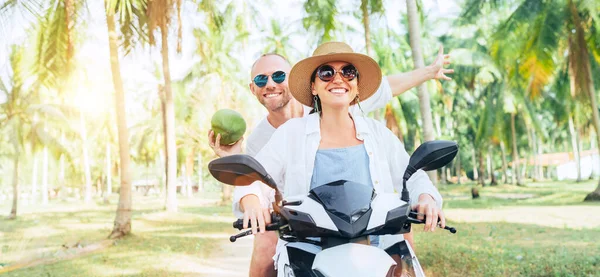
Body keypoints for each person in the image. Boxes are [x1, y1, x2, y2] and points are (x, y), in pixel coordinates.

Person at [211, 42, 449, 276]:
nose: (338, 79)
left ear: (356, 86)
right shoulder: (289, 133)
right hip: (307, 250)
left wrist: (426, 197)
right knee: (264, 254)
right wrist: (251, 202)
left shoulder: (377, 132)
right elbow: (257, 176)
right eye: (326, 73)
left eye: (348, 72)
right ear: (313, 86)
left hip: (376, 246)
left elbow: (412, 174)